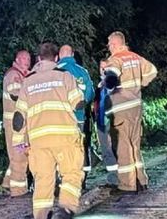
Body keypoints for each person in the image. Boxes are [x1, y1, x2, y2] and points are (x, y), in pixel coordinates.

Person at [14, 42, 85, 219]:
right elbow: (78, 102)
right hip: (65, 136)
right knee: (72, 174)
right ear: (56, 58)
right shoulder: (65, 76)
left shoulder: (28, 81)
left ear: (38, 59)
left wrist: (19, 141)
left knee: (43, 180)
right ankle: (66, 208)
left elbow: (19, 117)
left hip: (38, 140)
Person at [100, 31, 158, 192]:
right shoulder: (135, 57)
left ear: (116, 44)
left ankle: (127, 184)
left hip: (121, 108)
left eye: (110, 44)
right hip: (136, 106)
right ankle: (141, 180)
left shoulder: (115, 59)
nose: (109, 47)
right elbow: (152, 71)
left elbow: (112, 77)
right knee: (134, 144)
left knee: (123, 146)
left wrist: (107, 81)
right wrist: (140, 84)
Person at [57, 45, 96, 175]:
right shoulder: (82, 72)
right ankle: (81, 176)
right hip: (79, 117)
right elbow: (90, 93)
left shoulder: (54, 71)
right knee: (78, 146)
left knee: (61, 148)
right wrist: (83, 105)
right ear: (72, 54)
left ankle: (62, 175)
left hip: (60, 118)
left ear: (59, 55)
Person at [1, 50, 32, 197]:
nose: (27, 61)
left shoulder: (23, 75)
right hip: (14, 124)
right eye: (24, 58)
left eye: (29, 58)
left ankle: (8, 182)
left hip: (19, 123)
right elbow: (16, 94)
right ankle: (18, 189)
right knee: (19, 154)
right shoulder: (13, 75)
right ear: (17, 60)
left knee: (17, 154)